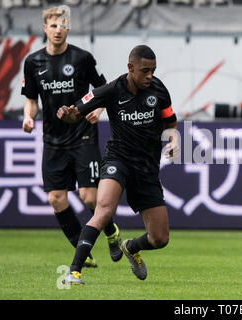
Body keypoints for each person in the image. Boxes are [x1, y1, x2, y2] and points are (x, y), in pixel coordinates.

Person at [58, 45, 179, 285]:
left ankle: (131, 247)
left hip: (146, 168)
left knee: (160, 239)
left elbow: (171, 122)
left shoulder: (158, 89)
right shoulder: (111, 90)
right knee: (103, 211)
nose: (149, 76)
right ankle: (73, 271)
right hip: (118, 159)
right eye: (145, 70)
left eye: (153, 70)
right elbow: (76, 113)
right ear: (130, 67)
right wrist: (67, 114)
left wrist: (174, 138)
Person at [21, 5, 123, 267]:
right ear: (45, 28)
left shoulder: (82, 59)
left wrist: (98, 109)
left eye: (62, 25)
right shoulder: (33, 62)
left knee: (89, 197)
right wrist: (28, 116)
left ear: (68, 28)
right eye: (53, 25)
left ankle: (111, 232)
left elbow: (104, 90)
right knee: (56, 199)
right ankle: (83, 251)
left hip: (82, 135)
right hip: (53, 139)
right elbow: (31, 99)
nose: (58, 30)